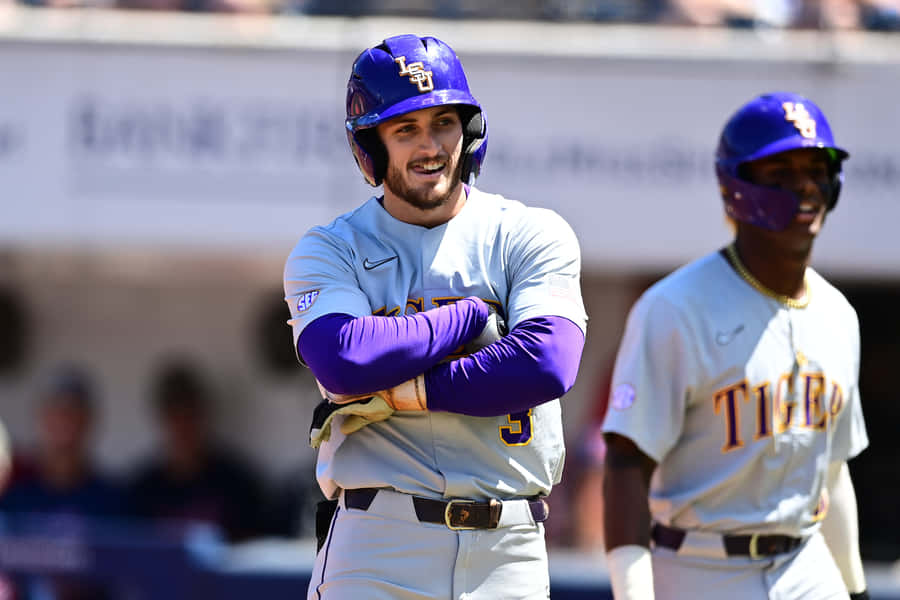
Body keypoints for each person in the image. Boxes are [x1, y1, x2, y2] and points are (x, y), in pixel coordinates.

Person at [284, 34, 587, 600]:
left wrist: (409, 389)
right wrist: (466, 320)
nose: (431, 146)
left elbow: (547, 363)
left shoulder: (528, 233)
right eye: (406, 130)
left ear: (470, 132)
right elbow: (345, 358)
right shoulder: (331, 247)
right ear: (370, 147)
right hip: (379, 541)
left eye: (444, 122)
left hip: (509, 546)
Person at [600, 92, 869, 600]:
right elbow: (626, 467)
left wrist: (855, 590)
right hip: (700, 567)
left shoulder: (838, 314)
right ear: (736, 186)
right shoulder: (675, 308)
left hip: (806, 565)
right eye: (782, 173)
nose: (806, 185)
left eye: (817, 168)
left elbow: (832, 472)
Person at [128, 358, 267, 543]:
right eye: (174, 415)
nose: (183, 425)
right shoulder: (143, 492)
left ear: (203, 414)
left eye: (190, 414)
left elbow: (253, 555)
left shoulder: (237, 485)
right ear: (162, 418)